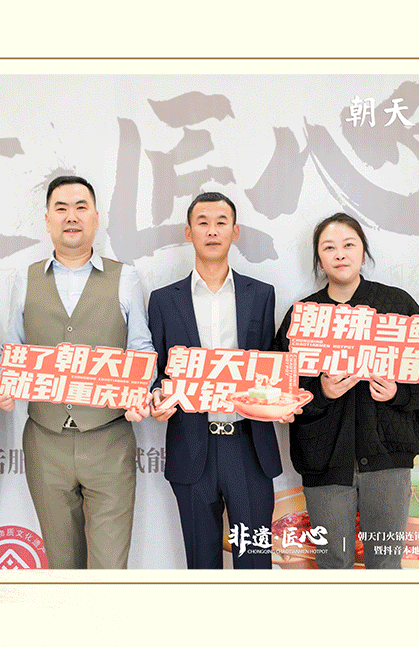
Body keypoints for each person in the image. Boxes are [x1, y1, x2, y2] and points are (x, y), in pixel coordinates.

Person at [272, 213, 419, 569]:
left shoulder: (396, 305)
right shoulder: (303, 315)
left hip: (388, 459)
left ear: (363, 251)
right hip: (324, 461)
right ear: (318, 258)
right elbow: (277, 388)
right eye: (329, 247)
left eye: (348, 245)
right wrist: (320, 391)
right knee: (333, 562)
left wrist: (398, 392)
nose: (340, 254)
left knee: (385, 563)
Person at [0, 175, 152, 569]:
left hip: (109, 438)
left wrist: (140, 392)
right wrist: (5, 384)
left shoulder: (125, 277)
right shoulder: (25, 278)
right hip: (45, 439)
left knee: (109, 567)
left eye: (81, 207)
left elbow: (141, 348)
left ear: (96, 218)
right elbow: (13, 349)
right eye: (61, 208)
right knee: (62, 565)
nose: (71, 216)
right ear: (47, 220)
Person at [147, 192, 284, 569]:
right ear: (188, 232)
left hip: (248, 446)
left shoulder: (261, 295)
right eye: (203, 222)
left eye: (221, 222)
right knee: (201, 568)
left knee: (254, 563)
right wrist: (157, 396)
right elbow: (156, 371)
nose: (212, 230)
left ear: (235, 232)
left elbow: (269, 364)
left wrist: (281, 399)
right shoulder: (163, 300)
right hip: (192, 445)